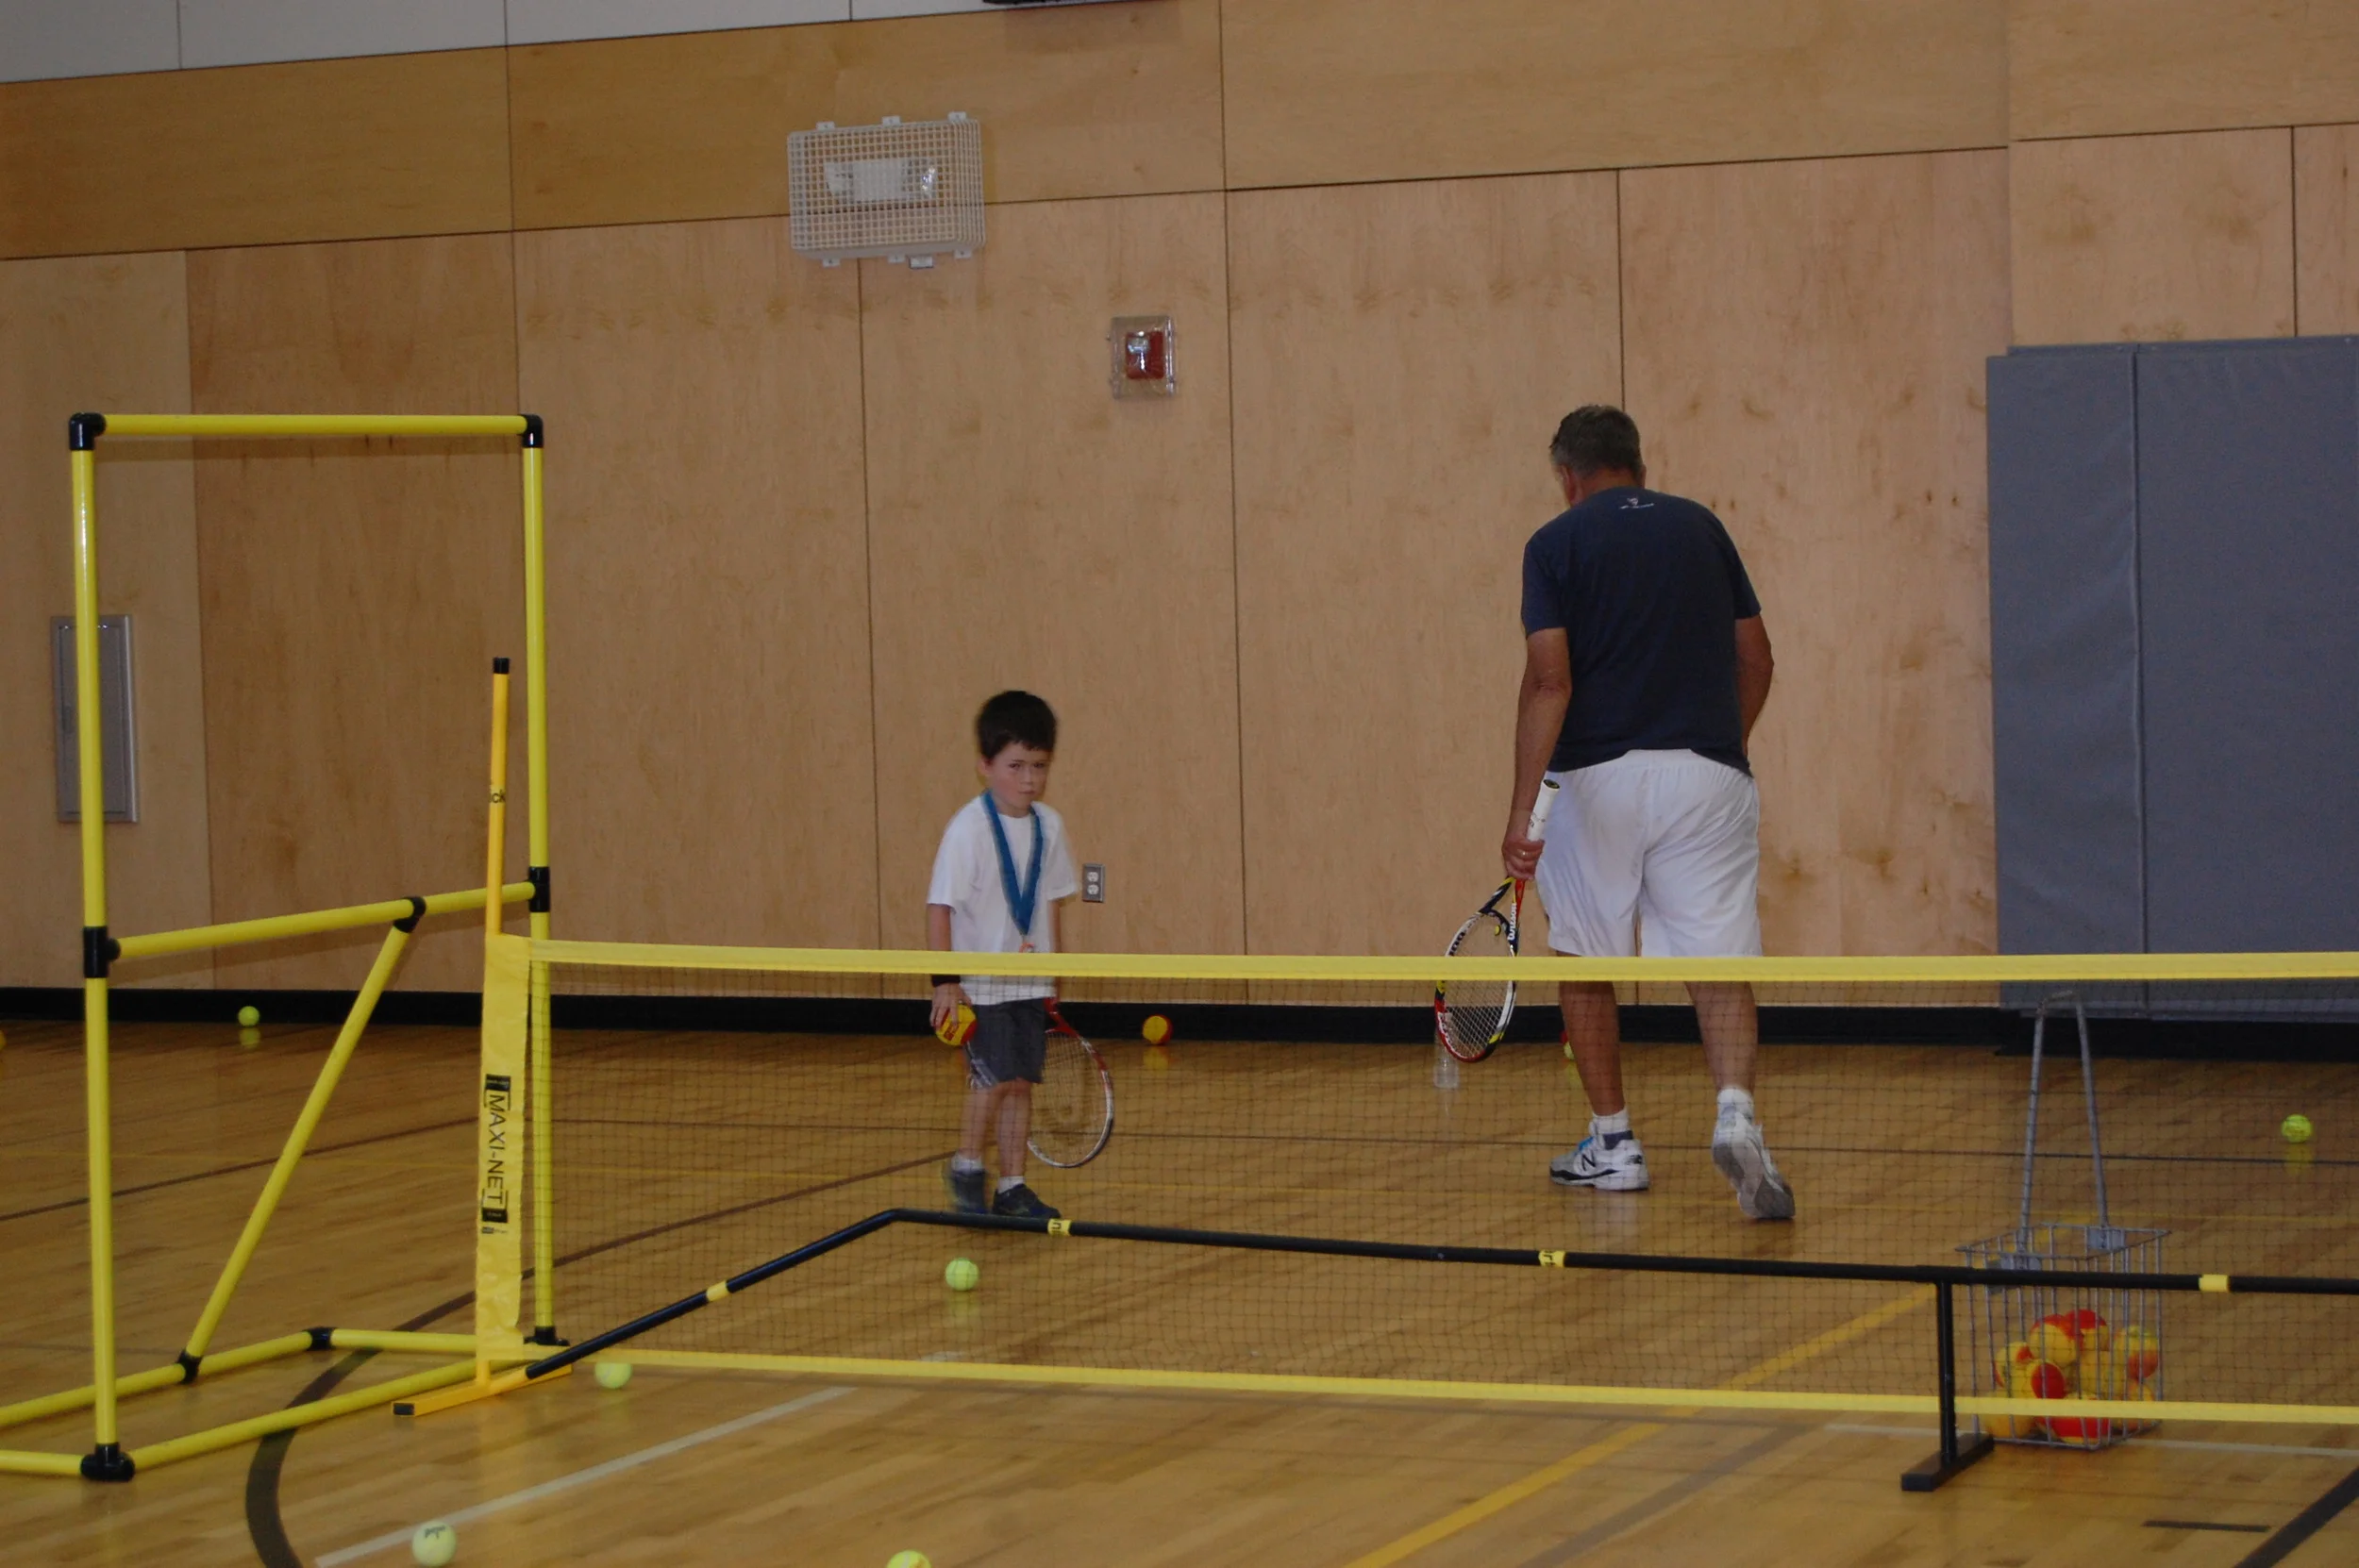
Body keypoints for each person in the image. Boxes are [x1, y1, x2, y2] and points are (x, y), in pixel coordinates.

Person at [1502, 406, 1793, 1221]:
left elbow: (1550, 680)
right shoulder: (1702, 529)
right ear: (1637, 461)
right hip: (1707, 775)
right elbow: (1758, 655)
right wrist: (1718, 743)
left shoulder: (1554, 546)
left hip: (1596, 784)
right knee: (1719, 958)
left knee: (1586, 961)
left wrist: (1524, 812)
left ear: (1567, 476)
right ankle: (1737, 1114)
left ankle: (1614, 1142)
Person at [929, 690, 1079, 1220]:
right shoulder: (967, 830)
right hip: (982, 985)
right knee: (990, 1081)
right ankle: (967, 1165)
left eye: (1039, 766)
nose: (1029, 779)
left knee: (1021, 1084)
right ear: (985, 766)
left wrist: (1054, 975)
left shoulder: (1050, 827)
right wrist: (945, 982)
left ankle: (1013, 1186)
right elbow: (940, 907)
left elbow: (1052, 903)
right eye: (1016, 766)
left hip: (1030, 983)